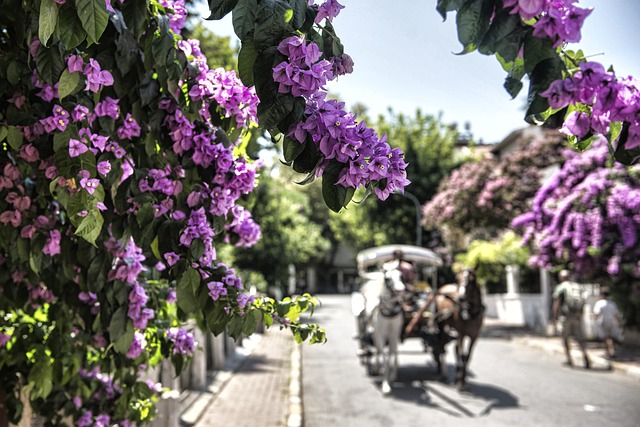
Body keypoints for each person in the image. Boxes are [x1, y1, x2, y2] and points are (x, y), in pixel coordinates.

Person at [551, 270, 591, 369]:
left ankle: (569, 359)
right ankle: (585, 355)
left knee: (565, 338)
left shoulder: (561, 287)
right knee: (580, 337)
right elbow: (584, 301)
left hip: (565, 316)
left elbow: (557, 303)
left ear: (561, 278)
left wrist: (554, 317)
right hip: (577, 316)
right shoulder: (578, 287)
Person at [592, 287, 622, 359]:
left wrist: (593, 316)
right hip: (612, 322)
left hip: (603, 322)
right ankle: (611, 350)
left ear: (602, 295)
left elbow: (597, 314)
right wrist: (619, 323)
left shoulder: (599, 303)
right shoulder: (612, 304)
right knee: (610, 337)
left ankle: (608, 352)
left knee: (605, 338)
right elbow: (616, 315)